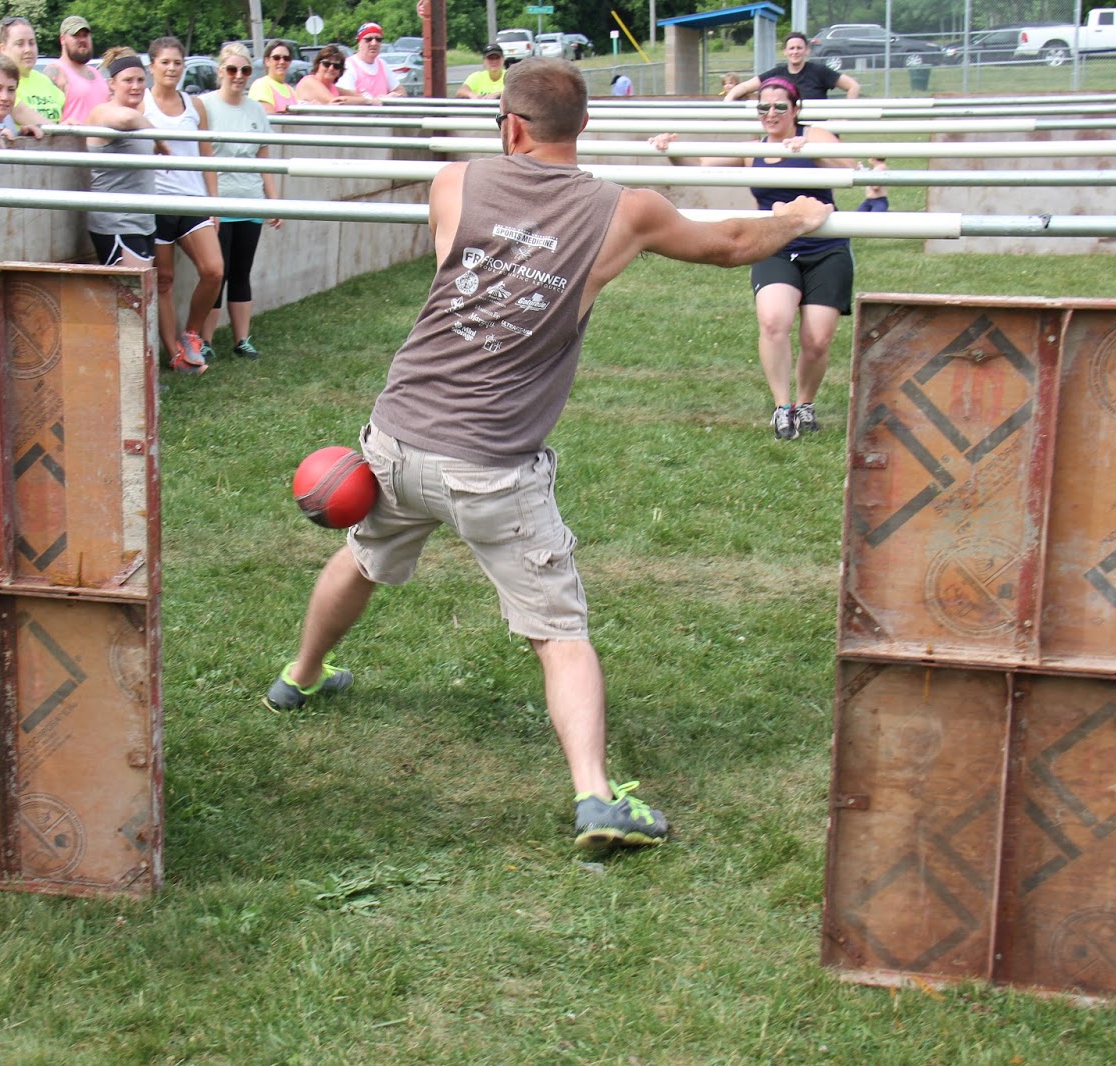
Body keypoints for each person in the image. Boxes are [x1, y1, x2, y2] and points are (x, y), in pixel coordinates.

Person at [262, 59, 832, 851]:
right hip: (490, 466)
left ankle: (298, 678)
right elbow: (734, 241)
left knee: (365, 558)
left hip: (397, 437)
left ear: (511, 125)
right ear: (584, 127)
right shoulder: (624, 211)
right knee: (559, 632)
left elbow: (458, 270)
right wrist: (800, 215)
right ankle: (597, 798)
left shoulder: (454, 185)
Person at [650, 77, 853, 440]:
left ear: (796, 109)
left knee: (817, 339)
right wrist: (670, 148)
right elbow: (699, 167)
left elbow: (850, 168)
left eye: (779, 107)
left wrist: (807, 149)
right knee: (774, 321)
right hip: (773, 244)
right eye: (763, 107)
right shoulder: (753, 147)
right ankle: (782, 408)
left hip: (826, 247)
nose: (771, 113)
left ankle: (805, 404)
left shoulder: (816, 135)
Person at [144, 36, 225, 374]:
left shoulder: (195, 105)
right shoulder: (141, 104)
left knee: (214, 270)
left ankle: (191, 334)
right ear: (152, 66)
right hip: (157, 203)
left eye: (177, 63)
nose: (172, 68)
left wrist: (214, 202)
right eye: (165, 62)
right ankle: (174, 354)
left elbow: (206, 155)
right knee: (163, 280)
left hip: (192, 200)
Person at [198, 42, 281, 360]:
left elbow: (264, 157)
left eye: (245, 70)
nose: (238, 76)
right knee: (216, 274)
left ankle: (242, 339)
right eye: (232, 69)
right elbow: (202, 156)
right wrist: (211, 204)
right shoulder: (205, 106)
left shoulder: (256, 109)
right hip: (217, 206)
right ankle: (205, 340)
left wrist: (273, 202)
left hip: (250, 202)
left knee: (241, 272)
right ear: (221, 71)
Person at [84, 48, 164, 272]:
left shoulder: (140, 120)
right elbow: (127, 119)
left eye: (140, 80)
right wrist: (162, 142)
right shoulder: (103, 112)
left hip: (143, 221)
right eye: (128, 80)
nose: (136, 86)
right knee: (130, 302)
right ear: (112, 84)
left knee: (141, 300)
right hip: (116, 222)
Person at [724, 32, 860, 101]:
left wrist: (842, 118)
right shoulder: (777, 73)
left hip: (815, 131)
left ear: (807, 50)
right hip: (786, 130)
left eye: (799, 48)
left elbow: (853, 86)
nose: (795, 52)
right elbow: (745, 86)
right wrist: (728, 99)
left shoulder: (819, 71)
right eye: (791, 48)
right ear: (785, 51)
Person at [0, 16, 64, 121]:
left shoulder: (44, 80)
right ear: (3, 49)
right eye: (20, 44)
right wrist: (58, 131)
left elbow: (65, 114)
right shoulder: (1, 83)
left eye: (31, 43)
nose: (28, 49)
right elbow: (20, 113)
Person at [44, 15, 109, 122]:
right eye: (76, 36)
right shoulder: (55, 72)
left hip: (101, 138)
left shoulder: (97, 73)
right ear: (62, 39)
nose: (82, 40)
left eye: (85, 35)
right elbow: (48, 118)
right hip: (70, 138)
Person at [337, 22, 404, 99]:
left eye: (378, 39)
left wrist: (392, 96)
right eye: (368, 39)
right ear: (359, 42)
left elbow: (401, 91)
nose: (374, 43)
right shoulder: (349, 65)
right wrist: (372, 101)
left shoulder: (382, 64)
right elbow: (346, 97)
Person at [249, 39, 297, 114]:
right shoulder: (261, 85)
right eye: (276, 57)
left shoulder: (291, 90)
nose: (282, 62)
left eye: (286, 58)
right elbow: (269, 119)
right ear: (267, 61)